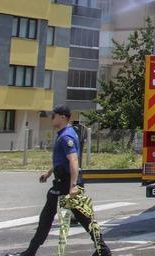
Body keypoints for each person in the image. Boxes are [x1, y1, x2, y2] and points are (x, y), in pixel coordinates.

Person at [7, 106, 111, 256]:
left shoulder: (66, 137)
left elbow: (74, 161)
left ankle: (30, 252)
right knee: (76, 217)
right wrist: (49, 172)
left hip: (66, 183)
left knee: (58, 218)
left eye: (54, 116)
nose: (51, 118)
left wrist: (73, 186)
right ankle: (103, 250)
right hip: (64, 182)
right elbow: (63, 160)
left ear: (62, 117)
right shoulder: (65, 133)